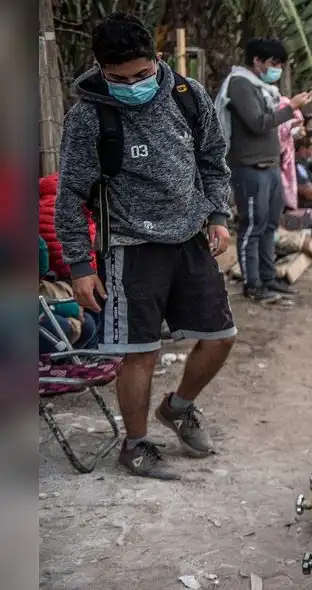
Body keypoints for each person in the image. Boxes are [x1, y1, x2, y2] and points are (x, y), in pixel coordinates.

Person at [55, 13, 236, 479]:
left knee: (220, 337)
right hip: (130, 249)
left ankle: (178, 407)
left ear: (157, 59)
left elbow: (213, 162)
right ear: (100, 69)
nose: (133, 85)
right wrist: (79, 266)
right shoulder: (89, 116)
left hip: (192, 239)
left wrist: (218, 215)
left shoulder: (187, 95)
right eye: (119, 78)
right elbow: (70, 196)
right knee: (141, 352)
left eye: (142, 74)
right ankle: (135, 446)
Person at [215, 38, 312, 301]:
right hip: (250, 168)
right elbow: (259, 123)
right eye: (273, 63)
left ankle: (269, 278)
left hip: (270, 167)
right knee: (252, 227)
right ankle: (253, 284)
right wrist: (291, 108)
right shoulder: (240, 84)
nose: (277, 68)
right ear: (257, 60)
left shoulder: (262, 87)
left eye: (280, 64)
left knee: (269, 225)